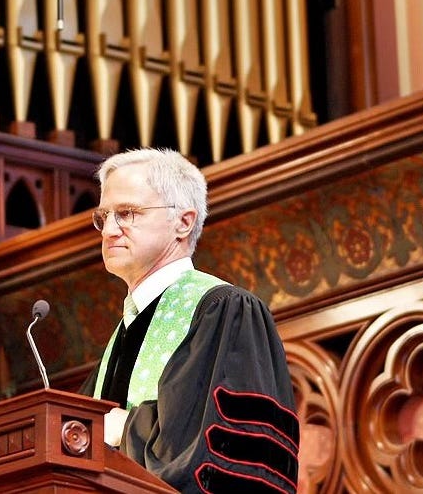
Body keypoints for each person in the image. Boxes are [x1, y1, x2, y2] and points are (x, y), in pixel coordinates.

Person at [78, 148, 299, 493]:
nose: (108, 230)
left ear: (184, 221)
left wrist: (125, 429)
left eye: (127, 213)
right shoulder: (123, 335)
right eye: (103, 216)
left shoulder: (226, 311)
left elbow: (228, 456)